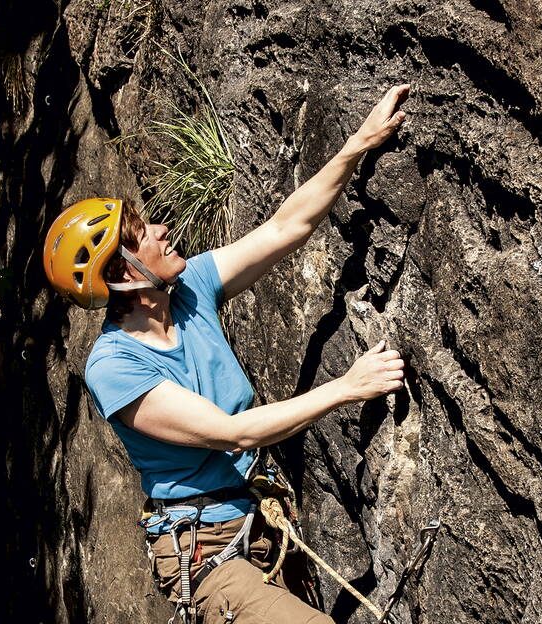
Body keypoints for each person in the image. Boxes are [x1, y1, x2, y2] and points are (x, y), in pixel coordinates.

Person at [42, 84, 411, 623]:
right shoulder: (114, 366)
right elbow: (232, 432)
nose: (164, 231)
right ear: (123, 275)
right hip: (207, 553)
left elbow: (287, 228)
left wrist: (358, 143)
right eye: (144, 233)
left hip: (260, 522)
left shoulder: (190, 288)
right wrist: (348, 388)